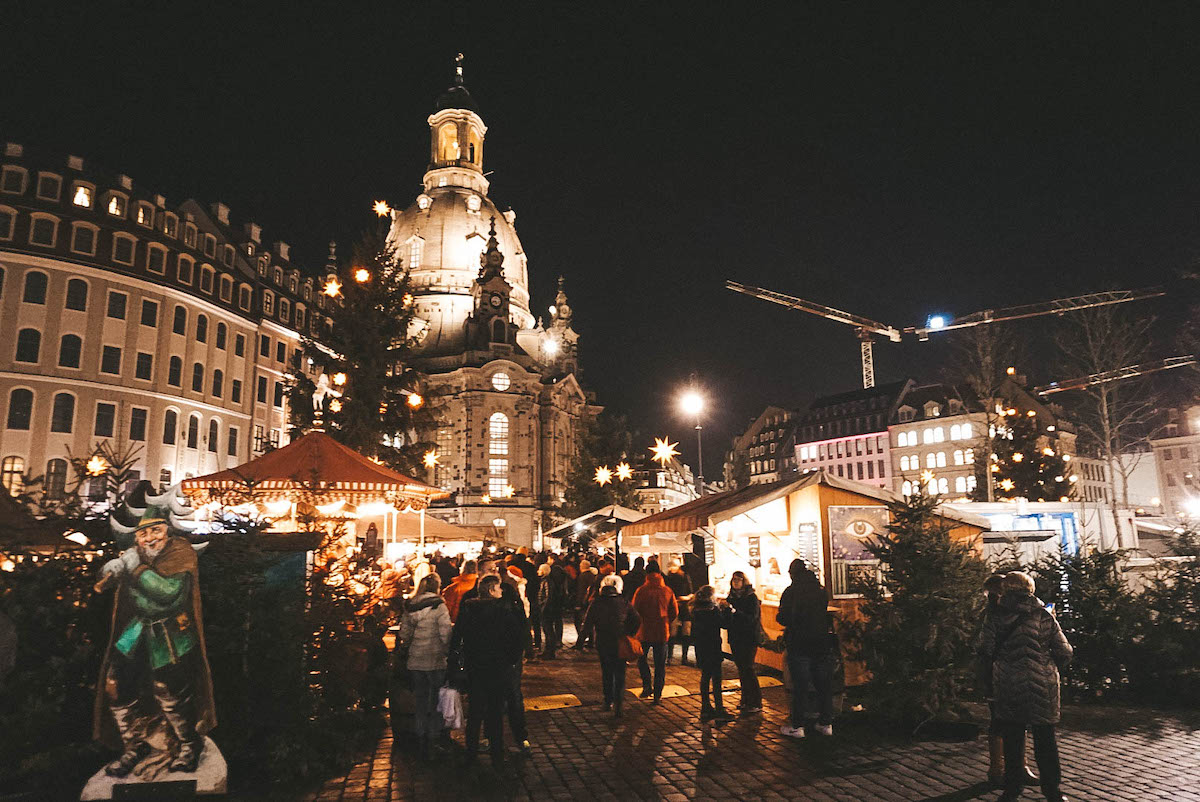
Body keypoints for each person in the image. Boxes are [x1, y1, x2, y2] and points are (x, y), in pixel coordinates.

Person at [93, 506, 216, 777]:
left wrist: (135, 568)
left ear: (167, 532)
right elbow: (107, 584)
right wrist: (111, 568)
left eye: (155, 531)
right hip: (137, 631)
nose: (149, 538)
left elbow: (168, 594)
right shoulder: (135, 555)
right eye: (143, 533)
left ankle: (187, 745)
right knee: (116, 684)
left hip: (171, 633)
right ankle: (134, 746)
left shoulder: (180, 553)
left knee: (169, 689)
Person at [980, 571, 1073, 802]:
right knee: (1046, 739)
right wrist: (1049, 665)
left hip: (1009, 683)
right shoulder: (1044, 615)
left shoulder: (995, 616)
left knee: (1013, 738)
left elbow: (983, 648)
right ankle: (1053, 792)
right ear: (1030, 589)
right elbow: (1064, 650)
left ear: (1006, 589)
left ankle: (1012, 790)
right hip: (1043, 683)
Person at [451, 575, 525, 768]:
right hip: (498, 668)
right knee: (495, 712)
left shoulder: (468, 609)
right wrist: (510, 660)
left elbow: (457, 638)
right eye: (499, 588)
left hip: (475, 666)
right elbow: (517, 639)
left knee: (475, 711)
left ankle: (471, 752)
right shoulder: (503, 611)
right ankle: (496, 753)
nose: (501, 591)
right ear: (492, 590)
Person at [980, 573, 1036, 787]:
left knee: (1018, 720)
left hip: (1014, 674)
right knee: (998, 721)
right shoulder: (992, 615)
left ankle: (1019, 767)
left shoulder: (1013, 612)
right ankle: (998, 769)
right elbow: (985, 648)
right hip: (996, 674)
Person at [776, 559, 834, 738]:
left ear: (792, 573)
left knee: (800, 685)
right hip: (821, 642)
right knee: (823, 684)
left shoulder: (791, 592)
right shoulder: (820, 590)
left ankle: (798, 726)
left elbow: (784, 618)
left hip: (799, 643)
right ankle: (826, 723)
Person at [400, 574, 452, 759]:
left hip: (416, 658)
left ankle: (419, 731)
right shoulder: (439, 606)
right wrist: (448, 652)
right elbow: (445, 633)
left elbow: (404, 634)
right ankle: (434, 734)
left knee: (420, 697)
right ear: (438, 587)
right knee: (436, 698)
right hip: (435, 658)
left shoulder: (411, 606)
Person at [581, 574, 641, 717]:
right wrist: (629, 633)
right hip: (620, 641)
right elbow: (637, 619)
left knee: (606, 671)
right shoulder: (624, 602)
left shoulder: (596, 602)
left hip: (602, 641)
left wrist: (581, 641)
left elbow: (587, 623)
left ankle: (608, 701)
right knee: (620, 673)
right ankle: (619, 705)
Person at [631, 562, 677, 702]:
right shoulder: (667, 591)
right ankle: (657, 694)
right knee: (660, 664)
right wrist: (667, 621)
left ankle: (646, 686)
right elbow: (674, 611)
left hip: (644, 630)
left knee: (641, 659)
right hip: (661, 631)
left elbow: (634, 610)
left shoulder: (641, 590)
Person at [690, 585, 733, 723]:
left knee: (705, 676)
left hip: (701, 648)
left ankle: (705, 707)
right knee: (716, 678)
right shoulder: (713, 610)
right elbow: (725, 624)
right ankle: (719, 708)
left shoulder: (696, 610)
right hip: (713, 647)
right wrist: (727, 610)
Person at [726, 571, 762, 715]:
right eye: (734, 579)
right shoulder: (731, 597)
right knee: (741, 669)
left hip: (748, 638)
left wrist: (735, 612)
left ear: (744, 581)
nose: (736, 582)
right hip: (735, 637)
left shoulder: (751, 597)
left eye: (738, 580)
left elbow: (752, 618)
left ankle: (755, 701)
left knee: (748, 668)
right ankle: (745, 699)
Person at [664, 561, 694, 665]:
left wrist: (685, 598)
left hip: (684, 605)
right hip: (673, 605)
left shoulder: (685, 577)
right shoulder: (668, 578)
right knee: (673, 630)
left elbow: (691, 593)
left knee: (686, 629)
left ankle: (683, 657)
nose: (671, 568)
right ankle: (670, 657)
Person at [539, 556, 569, 658]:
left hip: (547, 609)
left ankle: (549, 651)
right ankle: (549, 650)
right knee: (549, 629)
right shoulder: (549, 579)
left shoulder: (547, 581)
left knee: (548, 630)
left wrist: (543, 607)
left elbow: (548, 596)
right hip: (553, 607)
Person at [572, 559, 599, 649]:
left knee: (580, 622)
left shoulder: (582, 577)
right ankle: (591, 641)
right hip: (590, 602)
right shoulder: (592, 576)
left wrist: (578, 603)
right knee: (589, 622)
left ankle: (581, 640)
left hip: (583, 602)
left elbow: (581, 591)